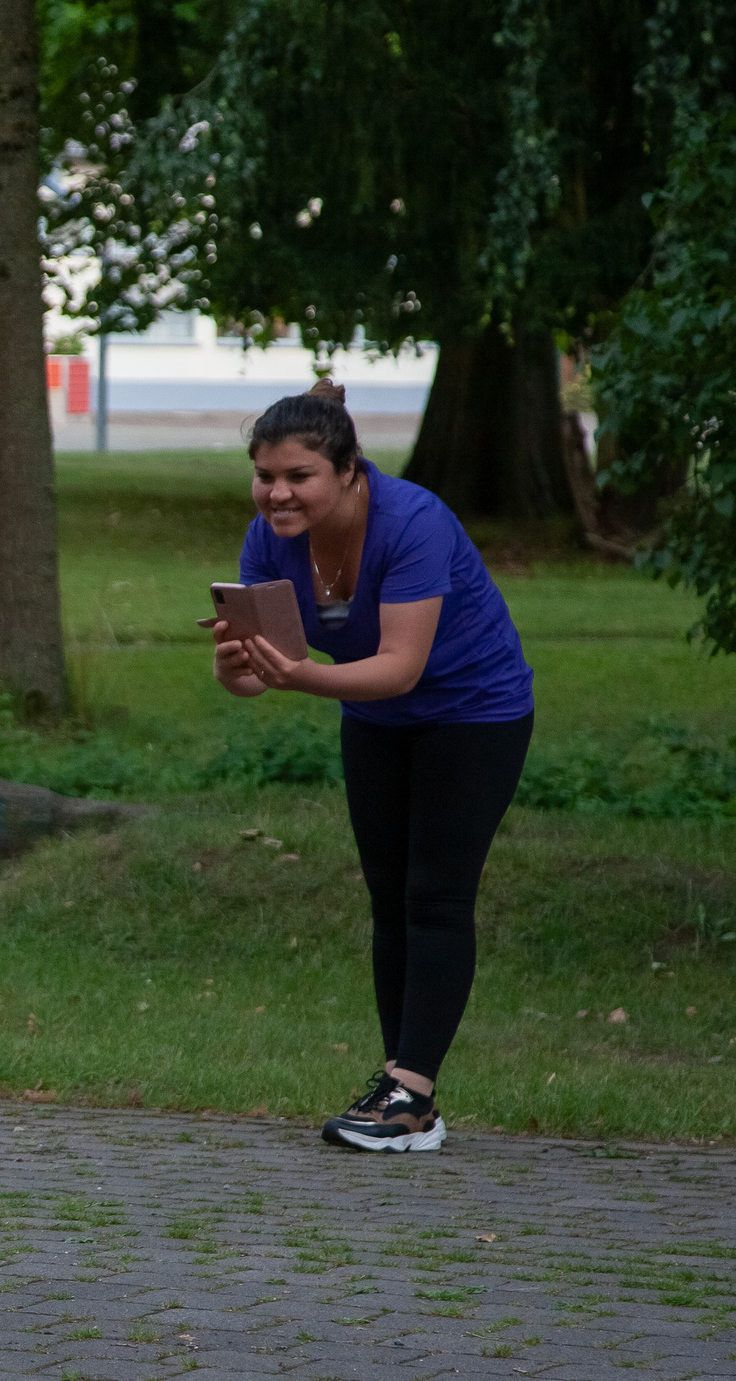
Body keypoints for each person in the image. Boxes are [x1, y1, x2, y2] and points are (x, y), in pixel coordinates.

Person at [211, 382, 534, 1154]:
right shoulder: (270, 541)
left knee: (436, 895)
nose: (278, 492)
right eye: (265, 475)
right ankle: (403, 1090)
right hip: (374, 718)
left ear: (349, 471)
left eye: (299, 476)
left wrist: (297, 675)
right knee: (389, 898)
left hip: (472, 711)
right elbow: (260, 674)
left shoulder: (413, 522)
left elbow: (399, 666)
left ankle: (411, 1090)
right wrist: (235, 667)